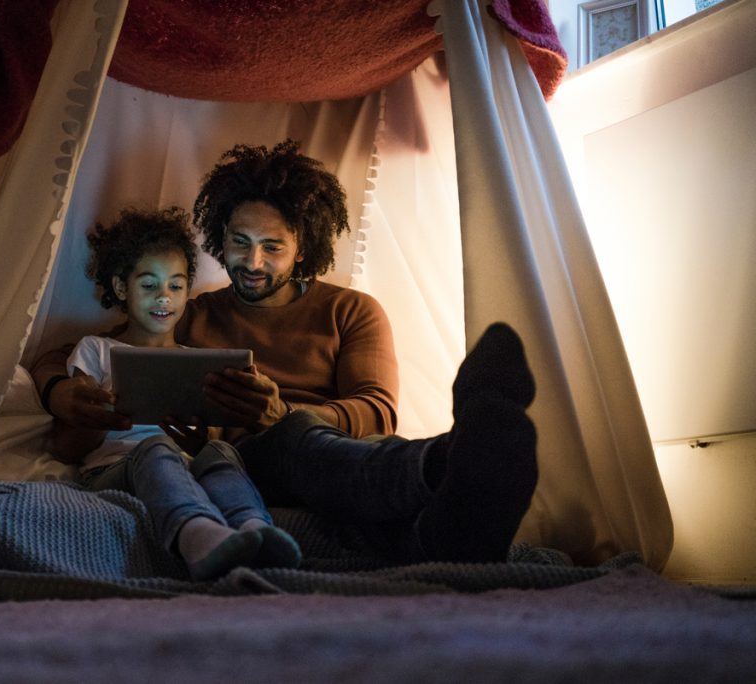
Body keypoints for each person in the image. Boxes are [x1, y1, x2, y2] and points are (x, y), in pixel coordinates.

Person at [34, 140, 538, 565]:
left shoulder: (350, 311)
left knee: (302, 440)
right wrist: (62, 393)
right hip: (237, 466)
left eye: (272, 247)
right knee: (289, 441)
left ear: (304, 247)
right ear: (221, 240)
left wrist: (284, 413)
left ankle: (452, 520)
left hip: (325, 456)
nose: (252, 262)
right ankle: (450, 460)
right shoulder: (190, 311)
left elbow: (377, 411)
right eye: (239, 242)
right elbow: (78, 354)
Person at [54, 206, 302, 581]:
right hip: (112, 470)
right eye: (149, 285)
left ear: (188, 288)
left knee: (223, 452)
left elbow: (208, 442)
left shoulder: (195, 362)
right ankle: (196, 535)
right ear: (122, 287)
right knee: (154, 447)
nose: (164, 298)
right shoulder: (96, 350)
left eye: (175, 285)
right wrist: (102, 414)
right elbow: (67, 446)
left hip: (184, 466)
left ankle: (253, 528)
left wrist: (204, 439)